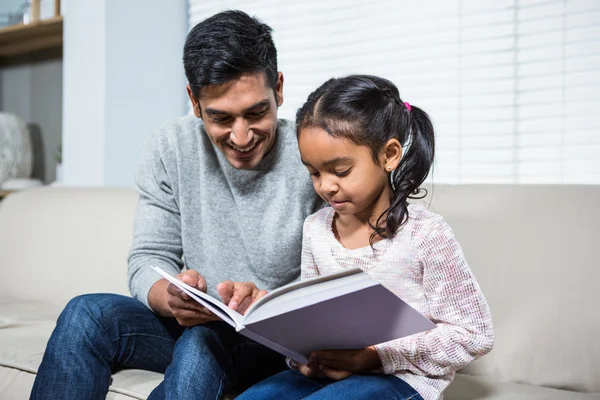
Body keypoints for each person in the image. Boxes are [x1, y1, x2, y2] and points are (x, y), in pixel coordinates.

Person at [30, 10, 322, 400]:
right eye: (220, 118)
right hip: (194, 325)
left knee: (201, 340)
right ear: (194, 101)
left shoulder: (315, 154)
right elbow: (148, 259)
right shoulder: (170, 145)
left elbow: (334, 279)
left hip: (274, 341)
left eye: (256, 113)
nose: (241, 136)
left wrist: (265, 303)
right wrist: (170, 296)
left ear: (279, 89)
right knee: (87, 314)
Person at [237, 75, 495, 400]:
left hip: (405, 380)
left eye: (341, 171)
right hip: (328, 375)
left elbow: (475, 335)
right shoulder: (316, 229)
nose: (325, 186)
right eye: (314, 173)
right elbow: (311, 323)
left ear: (389, 155)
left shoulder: (425, 233)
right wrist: (303, 357)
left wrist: (375, 356)